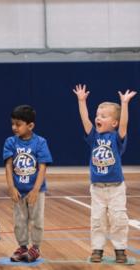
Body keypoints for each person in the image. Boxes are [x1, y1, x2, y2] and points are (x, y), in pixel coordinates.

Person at [73, 84, 136, 264]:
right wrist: (81, 101)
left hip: (116, 188)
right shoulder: (94, 137)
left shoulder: (117, 138)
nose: (97, 118)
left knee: (118, 219)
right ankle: (97, 249)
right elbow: (85, 120)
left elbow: (124, 124)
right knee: (97, 220)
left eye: (103, 116)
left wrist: (124, 104)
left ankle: (120, 249)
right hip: (97, 188)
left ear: (114, 123)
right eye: (97, 115)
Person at [3, 105, 52, 262]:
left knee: (37, 220)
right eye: (12, 124)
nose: (14, 127)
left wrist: (36, 190)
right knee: (19, 221)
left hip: (35, 191)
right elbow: (9, 165)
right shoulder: (10, 142)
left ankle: (35, 248)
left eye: (18, 124)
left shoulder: (40, 142)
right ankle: (22, 246)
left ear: (30, 125)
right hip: (19, 190)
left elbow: (42, 167)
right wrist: (11, 187)